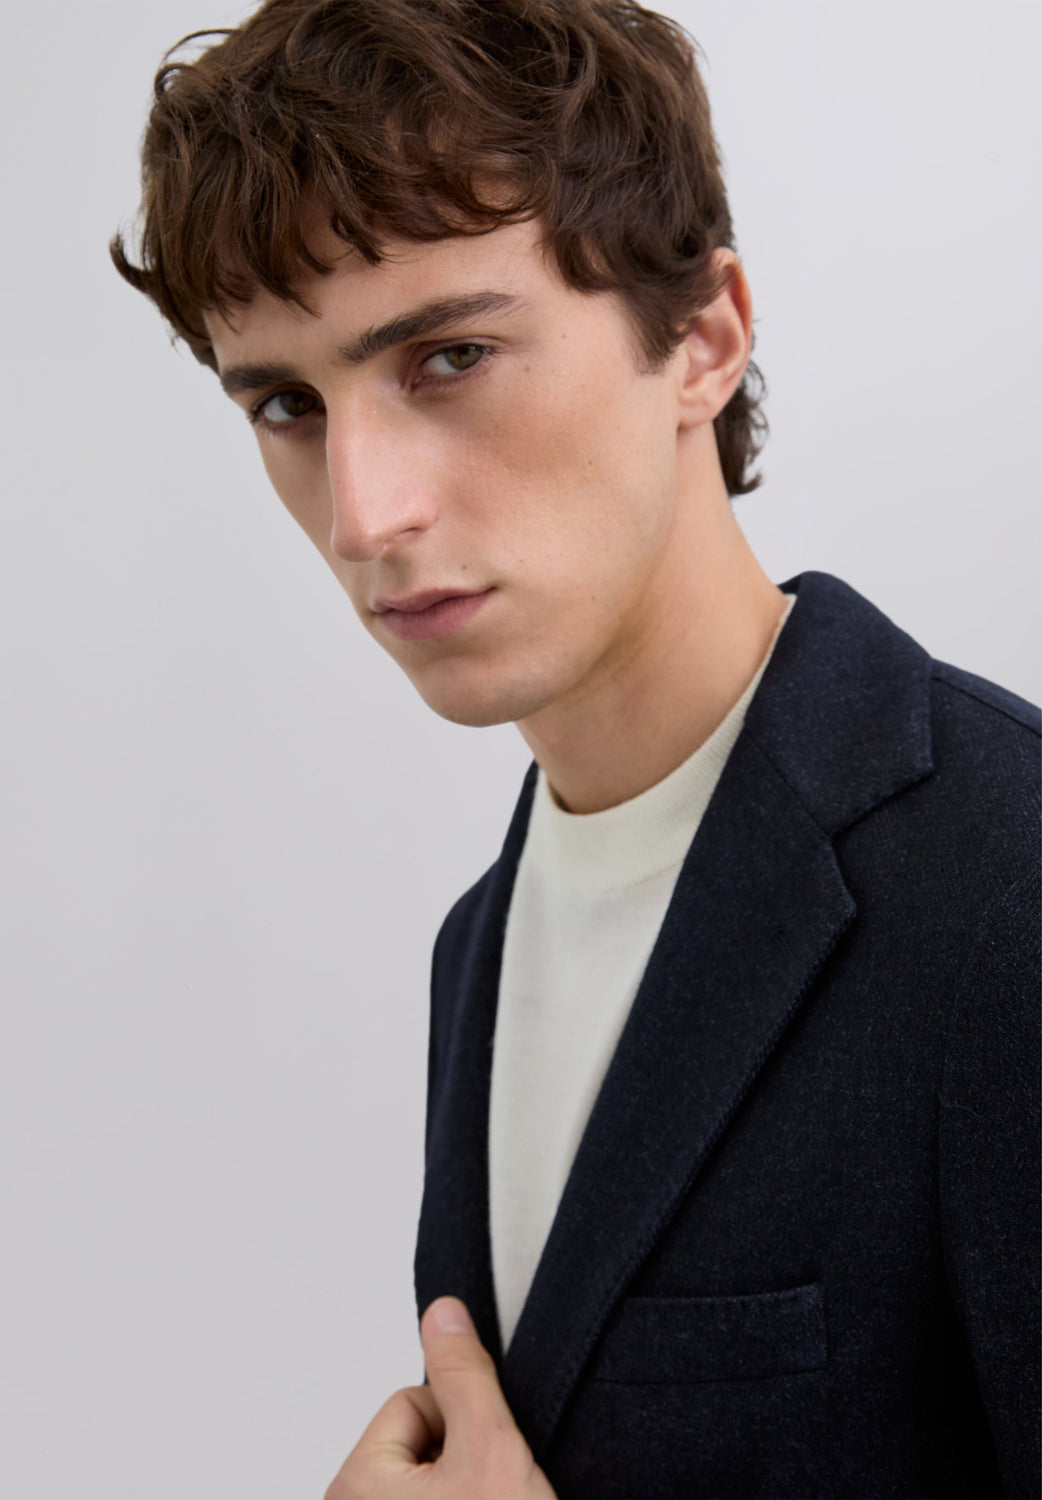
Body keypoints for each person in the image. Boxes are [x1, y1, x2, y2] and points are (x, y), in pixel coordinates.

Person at [111, 1, 1040, 1495]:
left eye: (449, 357)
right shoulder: (476, 947)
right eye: (286, 404)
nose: (364, 513)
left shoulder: (1008, 879)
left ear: (702, 339)